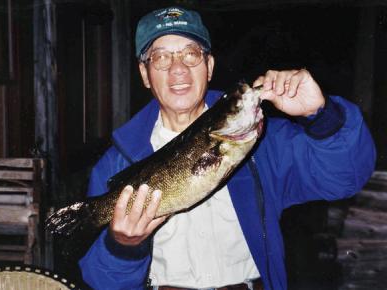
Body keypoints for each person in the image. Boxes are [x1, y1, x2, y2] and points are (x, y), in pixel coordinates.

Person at [79, 6, 376, 290]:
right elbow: (103, 282)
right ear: (145, 74)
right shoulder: (116, 163)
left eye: (190, 54)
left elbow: (345, 179)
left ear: (209, 66)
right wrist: (123, 245)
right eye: (161, 58)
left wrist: (321, 116)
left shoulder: (264, 143)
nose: (178, 69)